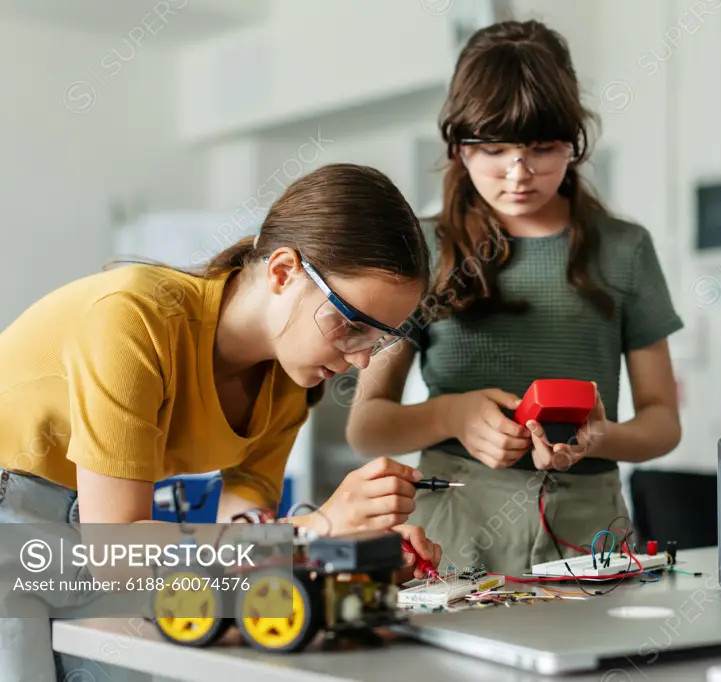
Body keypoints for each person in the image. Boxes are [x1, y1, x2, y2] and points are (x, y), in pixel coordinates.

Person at [0, 163, 442, 682]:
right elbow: (114, 550)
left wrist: (354, 553)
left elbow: (243, 542)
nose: (362, 360)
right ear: (283, 271)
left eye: (378, 338)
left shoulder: (286, 388)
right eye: (349, 324)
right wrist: (318, 530)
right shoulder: (134, 319)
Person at [345, 21, 684, 577]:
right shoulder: (424, 250)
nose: (518, 173)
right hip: (454, 523)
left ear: (574, 142)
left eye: (542, 149)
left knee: (594, 663)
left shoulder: (625, 249)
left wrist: (597, 437)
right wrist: (452, 414)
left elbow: (663, 423)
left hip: (587, 526)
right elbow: (367, 427)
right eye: (494, 149)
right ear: (457, 146)